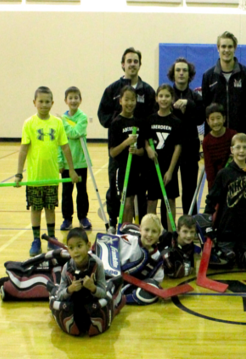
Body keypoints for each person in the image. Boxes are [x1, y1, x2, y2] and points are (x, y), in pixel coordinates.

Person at [15, 86, 79, 256]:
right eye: (40, 101)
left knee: (50, 208)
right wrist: (19, 173)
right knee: (36, 209)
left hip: (52, 177)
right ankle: (36, 239)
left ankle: (51, 239)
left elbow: (66, 148)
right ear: (34, 103)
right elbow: (23, 150)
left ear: (52, 103)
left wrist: (71, 170)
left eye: (47, 102)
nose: (44, 105)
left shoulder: (57, 123)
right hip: (35, 177)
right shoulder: (29, 123)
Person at [98, 47, 155, 232]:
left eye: (135, 61)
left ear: (140, 65)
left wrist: (144, 142)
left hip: (139, 151)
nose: (132, 64)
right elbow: (102, 114)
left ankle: (140, 228)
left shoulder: (147, 90)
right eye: (129, 61)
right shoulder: (112, 89)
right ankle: (116, 224)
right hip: (120, 151)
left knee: (140, 192)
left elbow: (152, 117)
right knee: (118, 192)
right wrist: (119, 125)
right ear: (123, 64)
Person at [204, 133, 246, 266]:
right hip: (227, 225)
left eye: (244, 147)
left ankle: (244, 252)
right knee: (227, 259)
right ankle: (234, 252)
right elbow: (212, 198)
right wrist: (207, 221)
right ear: (232, 150)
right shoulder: (224, 173)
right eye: (238, 147)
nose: (241, 151)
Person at [50, 228, 123, 336]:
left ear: (88, 245)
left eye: (79, 246)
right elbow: (60, 296)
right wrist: (70, 289)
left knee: (101, 304)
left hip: (91, 303)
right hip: (75, 305)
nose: (75, 251)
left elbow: (103, 293)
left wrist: (92, 287)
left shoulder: (97, 264)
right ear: (68, 250)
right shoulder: (67, 268)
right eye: (71, 248)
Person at [166, 57, 205, 216]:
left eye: (184, 70)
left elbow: (200, 118)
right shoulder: (166, 95)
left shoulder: (196, 98)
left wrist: (188, 106)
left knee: (189, 189)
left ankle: (190, 224)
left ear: (190, 75)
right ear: (173, 74)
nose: (181, 73)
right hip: (169, 150)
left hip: (190, 148)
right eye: (178, 70)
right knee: (169, 190)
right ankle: (169, 227)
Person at [142, 84, 182, 230]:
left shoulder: (176, 122)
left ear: (172, 99)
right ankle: (149, 231)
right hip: (153, 167)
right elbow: (146, 139)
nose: (164, 99)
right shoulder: (150, 119)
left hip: (167, 167)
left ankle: (171, 234)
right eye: (161, 96)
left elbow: (178, 146)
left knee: (170, 200)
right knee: (151, 200)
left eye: (167, 96)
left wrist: (171, 171)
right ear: (156, 98)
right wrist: (148, 149)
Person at [202, 31, 246, 139]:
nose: (226, 50)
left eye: (230, 47)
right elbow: (206, 109)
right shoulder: (208, 76)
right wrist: (208, 137)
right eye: (223, 46)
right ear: (218, 48)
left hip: (241, 137)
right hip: (217, 138)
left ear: (235, 48)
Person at [108, 86, 144, 225]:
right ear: (120, 101)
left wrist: (137, 151)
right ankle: (125, 232)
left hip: (137, 170)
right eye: (126, 99)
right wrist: (126, 143)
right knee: (126, 203)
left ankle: (133, 232)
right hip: (122, 169)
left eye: (133, 99)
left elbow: (142, 149)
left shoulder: (139, 122)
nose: (130, 103)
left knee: (136, 204)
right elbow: (113, 152)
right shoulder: (116, 123)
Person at [57, 86, 91, 231]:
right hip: (66, 162)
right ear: (66, 101)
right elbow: (59, 142)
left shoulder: (82, 118)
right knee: (66, 192)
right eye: (70, 98)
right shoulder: (61, 120)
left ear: (80, 100)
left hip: (81, 162)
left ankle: (83, 217)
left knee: (82, 191)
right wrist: (60, 161)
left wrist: (63, 122)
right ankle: (67, 219)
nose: (73, 101)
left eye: (76, 98)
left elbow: (75, 133)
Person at [119, 214, 165, 305]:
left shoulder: (157, 258)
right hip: (113, 279)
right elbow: (107, 242)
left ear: (159, 234)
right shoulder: (127, 240)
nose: (150, 235)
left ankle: (122, 299)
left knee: (152, 293)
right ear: (140, 230)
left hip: (132, 287)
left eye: (154, 231)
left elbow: (156, 281)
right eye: (146, 230)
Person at [202, 103, 237, 189]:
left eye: (218, 118)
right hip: (216, 182)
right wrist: (213, 187)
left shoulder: (233, 135)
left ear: (224, 119)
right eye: (212, 119)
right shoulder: (206, 141)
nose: (216, 122)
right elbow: (209, 167)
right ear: (207, 121)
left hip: (233, 179)